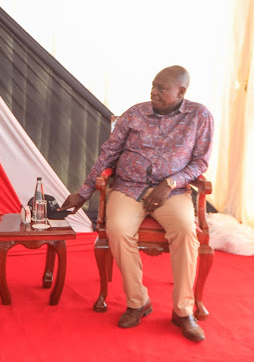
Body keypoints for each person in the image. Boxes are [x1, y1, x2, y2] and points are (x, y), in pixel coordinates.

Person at [60, 66, 213, 342]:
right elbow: (108, 154)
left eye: (162, 88)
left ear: (181, 91)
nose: (154, 92)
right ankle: (138, 301)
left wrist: (169, 183)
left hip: (172, 192)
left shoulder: (199, 116)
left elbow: (200, 162)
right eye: (153, 86)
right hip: (129, 187)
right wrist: (84, 192)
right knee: (117, 230)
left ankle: (183, 311)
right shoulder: (135, 113)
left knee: (185, 231)